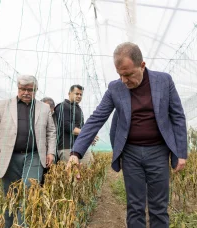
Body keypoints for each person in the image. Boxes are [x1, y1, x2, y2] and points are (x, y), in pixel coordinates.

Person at [67, 42, 187, 228]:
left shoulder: (164, 81)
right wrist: (76, 153)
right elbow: (96, 118)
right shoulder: (115, 88)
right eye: (120, 75)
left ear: (142, 65)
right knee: (135, 206)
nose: (124, 80)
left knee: (158, 207)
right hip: (130, 153)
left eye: (128, 74)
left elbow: (178, 116)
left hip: (158, 152)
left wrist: (181, 152)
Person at [0, 75, 56, 228]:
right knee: (10, 195)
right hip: (9, 158)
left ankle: (24, 225)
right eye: (22, 89)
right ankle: (8, 225)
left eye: (30, 89)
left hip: (34, 156)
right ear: (18, 88)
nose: (26, 92)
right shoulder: (1, 106)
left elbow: (51, 131)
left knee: (30, 194)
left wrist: (51, 152)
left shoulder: (43, 108)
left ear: (35, 90)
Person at [54, 85, 96, 166]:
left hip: (80, 146)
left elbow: (82, 127)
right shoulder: (62, 106)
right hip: (67, 147)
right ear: (69, 93)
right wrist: (87, 134)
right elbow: (66, 126)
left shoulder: (78, 108)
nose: (79, 96)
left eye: (81, 94)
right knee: (71, 175)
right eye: (76, 94)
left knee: (88, 170)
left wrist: (89, 138)